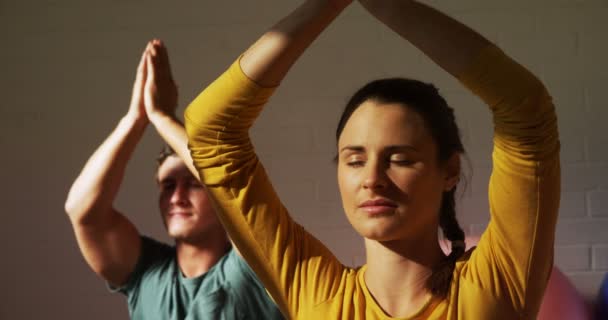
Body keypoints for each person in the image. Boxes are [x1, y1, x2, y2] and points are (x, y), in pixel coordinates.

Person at [184, 0, 560, 319]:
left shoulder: (493, 287)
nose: (372, 179)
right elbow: (209, 131)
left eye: (399, 158)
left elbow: (525, 107)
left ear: (450, 170)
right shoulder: (316, 294)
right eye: (354, 160)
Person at [65, 40, 283, 320]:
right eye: (168, 185)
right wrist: (137, 117)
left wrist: (163, 117)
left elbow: (230, 187)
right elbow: (82, 211)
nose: (176, 197)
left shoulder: (252, 265)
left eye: (193, 184)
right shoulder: (146, 274)